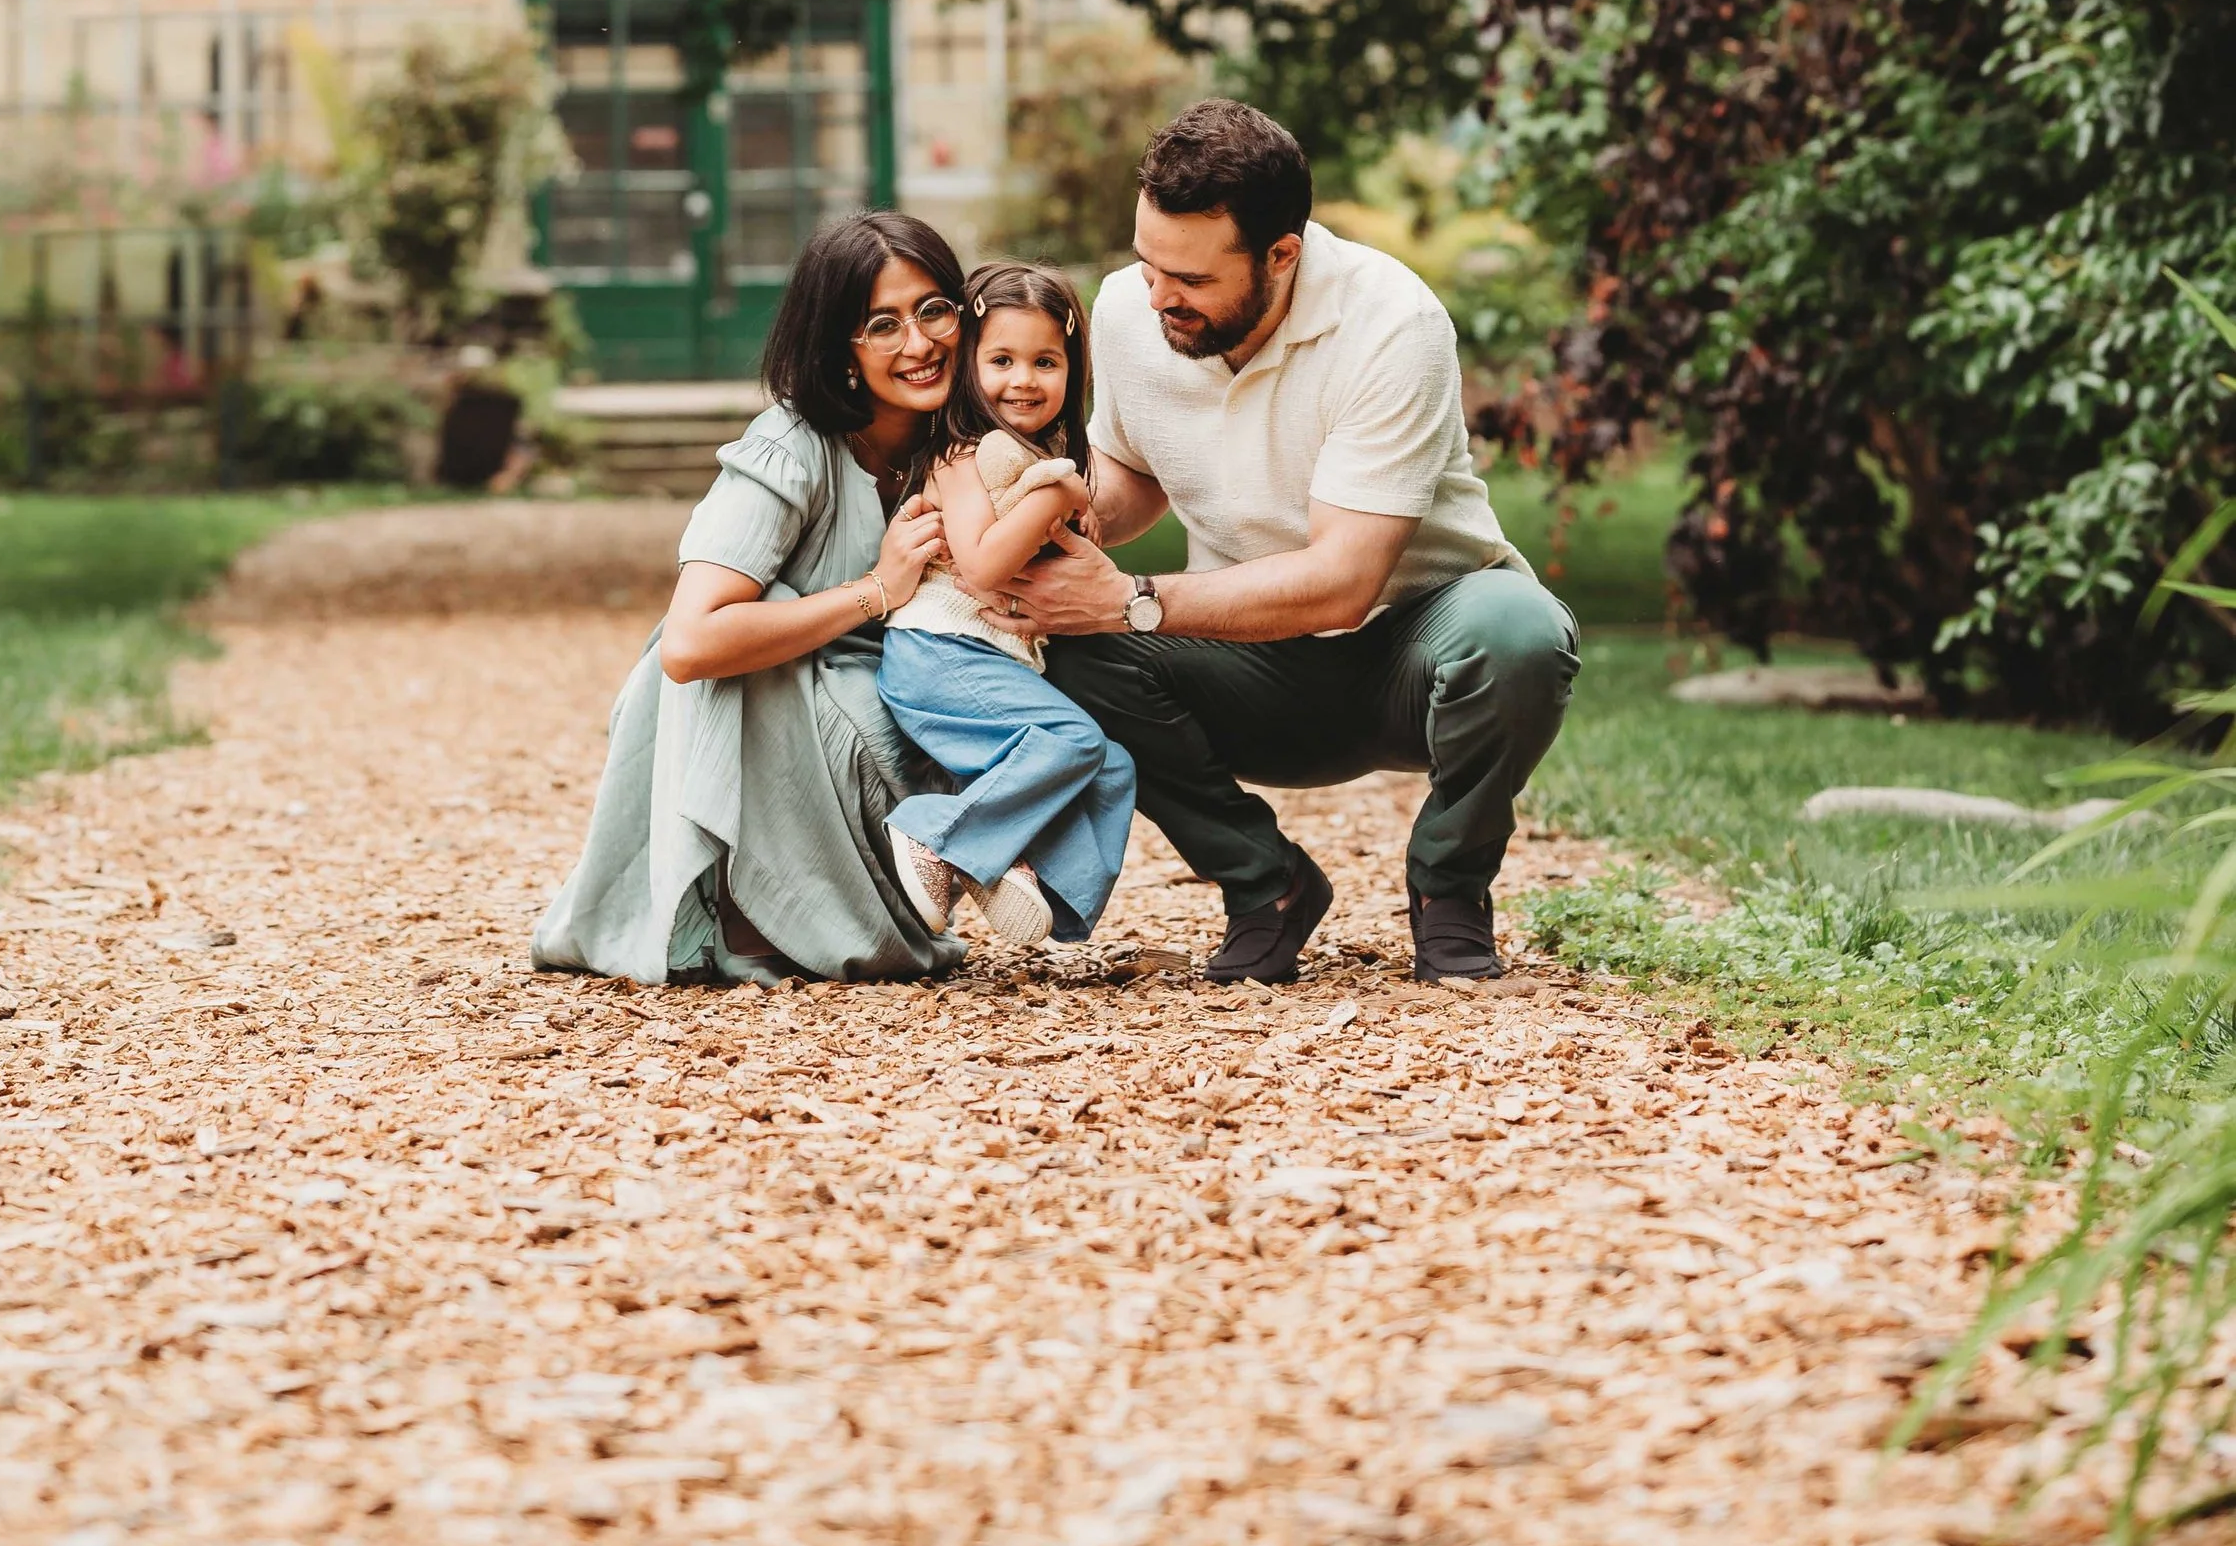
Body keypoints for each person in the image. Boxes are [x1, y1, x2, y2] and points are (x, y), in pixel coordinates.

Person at [1017, 99, 1579, 987]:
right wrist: (1059, 523)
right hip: (1249, 661)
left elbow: (1343, 581)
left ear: (1283, 253)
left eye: (1192, 279)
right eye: (1146, 262)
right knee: (1062, 648)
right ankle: (1264, 883)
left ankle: (1450, 888)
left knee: (1523, 632)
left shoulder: (1394, 322)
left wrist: (1128, 598)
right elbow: (1133, 471)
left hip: (1415, 649)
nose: (1160, 294)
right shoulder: (1133, 309)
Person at [530, 212, 972, 983]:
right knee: (752, 611)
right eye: (883, 323)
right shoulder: (791, 448)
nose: (920, 342)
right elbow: (691, 643)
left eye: (934, 309)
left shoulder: (969, 440)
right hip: (776, 710)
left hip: (916, 715)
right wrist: (876, 589)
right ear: (842, 347)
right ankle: (742, 903)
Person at [878, 261, 1138, 953]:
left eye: (1044, 360)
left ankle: (1028, 877)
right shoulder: (963, 453)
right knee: (1073, 742)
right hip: (938, 653)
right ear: (968, 362)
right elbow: (985, 564)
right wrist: (1058, 495)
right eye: (1001, 359)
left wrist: (1063, 495)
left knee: (1112, 765)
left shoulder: (1035, 456)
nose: (1023, 379)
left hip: (985, 663)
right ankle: (935, 833)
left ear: (1071, 368)